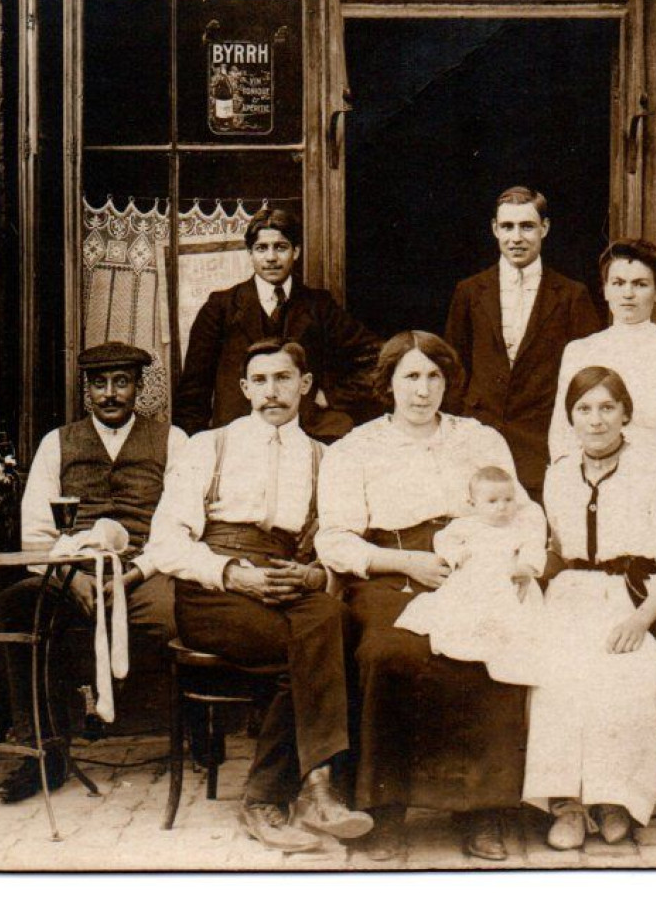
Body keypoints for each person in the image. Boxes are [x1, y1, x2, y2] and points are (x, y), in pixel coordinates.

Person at [143, 337, 371, 854]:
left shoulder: (322, 458)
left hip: (287, 576)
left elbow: (335, 537)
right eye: (261, 381)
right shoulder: (209, 446)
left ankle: (303, 794)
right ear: (245, 389)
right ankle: (286, 795)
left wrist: (315, 575)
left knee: (336, 620)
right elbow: (167, 542)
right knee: (309, 652)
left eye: (284, 379)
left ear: (305, 386)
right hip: (214, 589)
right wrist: (228, 572)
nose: (272, 392)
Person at [315, 331, 530, 862]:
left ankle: (481, 811)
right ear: (387, 384)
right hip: (391, 570)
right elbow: (335, 538)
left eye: (433, 376)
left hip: (472, 567)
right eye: (410, 376)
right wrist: (406, 561)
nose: (422, 390)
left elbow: (519, 509)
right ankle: (386, 811)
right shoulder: (356, 448)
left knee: (488, 649)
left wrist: (510, 558)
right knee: (390, 654)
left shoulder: (479, 440)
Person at [0, 341, 188, 805]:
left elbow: (175, 524)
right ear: (86, 390)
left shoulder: (172, 440)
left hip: (142, 572)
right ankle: (43, 753)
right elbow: (35, 530)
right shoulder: (57, 443)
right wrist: (67, 575)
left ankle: (192, 737)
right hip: (70, 571)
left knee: (181, 613)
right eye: (99, 384)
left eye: (121, 382)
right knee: (14, 606)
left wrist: (133, 576)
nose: (110, 394)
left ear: (139, 387)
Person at [524, 367, 656, 849]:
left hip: (641, 598)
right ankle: (565, 804)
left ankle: (615, 800)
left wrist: (640, 620)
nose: (596, 419)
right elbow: (556, 549)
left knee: (624, 678)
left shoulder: (655, 470)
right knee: (557, 681)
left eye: (607, 407)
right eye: (584, 409)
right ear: (570, 418)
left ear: (626, 413)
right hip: (570, 596)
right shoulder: (559, 473)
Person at [172, 206, 380, 442]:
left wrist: (331, 396)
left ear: (297, 251)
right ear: (249, 253)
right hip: (239, 438)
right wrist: (197, 450)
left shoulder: (319, 307)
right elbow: (193, 391)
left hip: (308, 435)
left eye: (280, 247)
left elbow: (379, 359)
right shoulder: (220, 307)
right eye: (262, 248)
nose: (271, 257)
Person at [444, 186, 603, 495]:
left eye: (527, 226)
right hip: (479, 438)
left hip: (542, 442)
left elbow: (588, 378)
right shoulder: (469, 292)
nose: (516, 237)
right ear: (494, 229)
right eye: (507, 226)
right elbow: (453, 367)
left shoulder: (571, 295)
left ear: (544, 228)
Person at [548, 239, 656, 476]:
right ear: (605, 290)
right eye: (618, 283)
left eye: (640, 284)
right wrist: (573, 478)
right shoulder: (580, 350)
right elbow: (562, 430)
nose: (628, 293)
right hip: (591, 479)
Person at [394, 465, 546, 680]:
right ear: (473, 504)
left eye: (508, 500)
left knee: (515, 622)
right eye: (492, 501)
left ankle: (501, 648)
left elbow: (533, 547)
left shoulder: (519, 528)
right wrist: (456, 554)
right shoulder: (466, 525)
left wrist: (526, 567)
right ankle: (471, 640)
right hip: (473, 579)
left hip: (508, 580)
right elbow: (443, 539)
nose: (502, 507)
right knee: (462, 613)